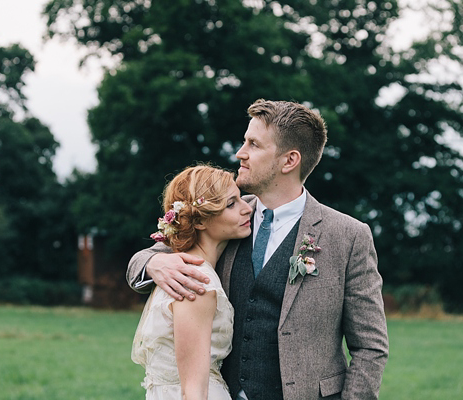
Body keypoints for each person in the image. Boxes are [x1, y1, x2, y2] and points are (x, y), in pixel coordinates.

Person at [128, 99, 389, 400]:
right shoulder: (225, 218)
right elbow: (155, 251)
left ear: (289, 161)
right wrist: (151, 264)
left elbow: (370, 346)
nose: (240, 153)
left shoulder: (348, 236)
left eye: (253, 144)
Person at [130, 165, 252, 399]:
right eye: (231, 204)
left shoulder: (179, 271)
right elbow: (194, 391)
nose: (248, 209)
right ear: (199, 222)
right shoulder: (195, 281)